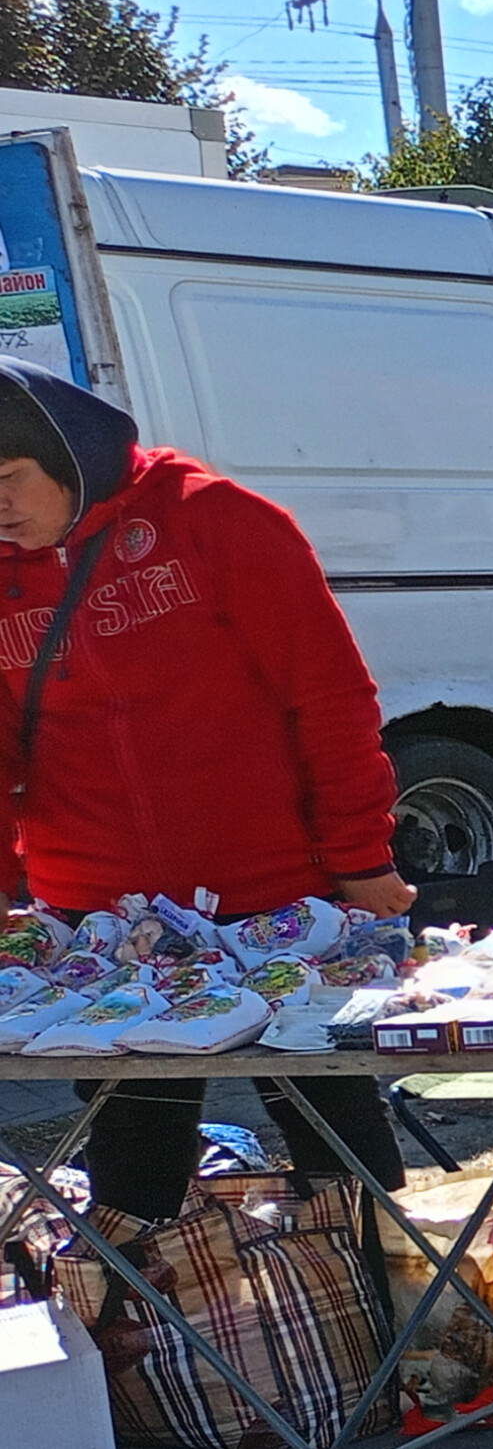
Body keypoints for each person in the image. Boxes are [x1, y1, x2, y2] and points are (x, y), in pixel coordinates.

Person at [0, 358, 411, 1226]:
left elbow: (330, 698)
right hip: (101, 919)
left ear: (70, 456)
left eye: (7, 481)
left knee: (331, 1123)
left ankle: (393, 1312)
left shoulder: (216, 521)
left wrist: (360, 858)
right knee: (134, 1149)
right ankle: (140, 1336)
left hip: (276, 899)